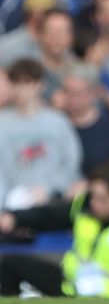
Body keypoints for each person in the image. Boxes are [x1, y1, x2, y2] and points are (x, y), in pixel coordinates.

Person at [0, 161, 109, 297]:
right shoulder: (85, 205)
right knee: (9, 264)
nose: (94, 204)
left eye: (103, 199)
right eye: (93, 196)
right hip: (71, 287)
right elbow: (49, 216)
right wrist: (15, 218)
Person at [0, 58, 82, 210]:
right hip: (13, 203)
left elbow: (71, 164)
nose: (22, 90)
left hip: (55, 199)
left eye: (28, 83)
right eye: (16, 83)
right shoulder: (2, 123)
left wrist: (49, 188)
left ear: (40, 85)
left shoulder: (58, 121)